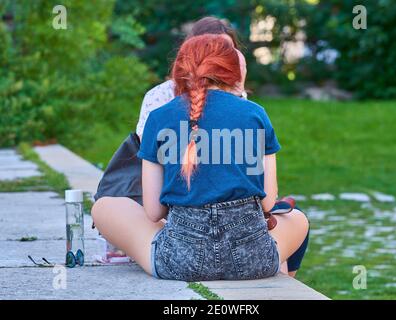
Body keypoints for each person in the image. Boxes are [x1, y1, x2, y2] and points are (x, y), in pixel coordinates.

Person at [92, 34, 309, 280]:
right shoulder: (255, 114)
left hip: (179, 261)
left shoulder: (159, 117)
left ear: (180, 71)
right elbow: (268, 203)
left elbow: (153, 212)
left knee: (105, 206)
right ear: (233, 71)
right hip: (252, 261)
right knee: (299, 219)